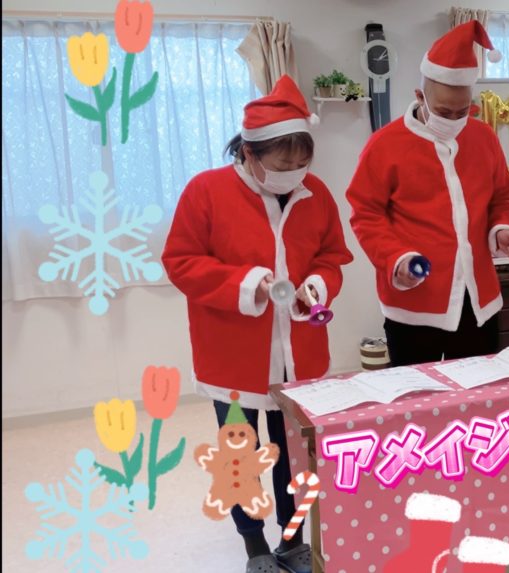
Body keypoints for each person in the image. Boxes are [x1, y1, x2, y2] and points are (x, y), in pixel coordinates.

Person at [162, 74, 352, 573]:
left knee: (294, 455)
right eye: (282, 165)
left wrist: (318, 285)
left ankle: (292, 540)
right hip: (232, 359)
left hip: (300, 354)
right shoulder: (206, 191)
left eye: (302, 164)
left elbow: (332, 256)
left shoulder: (316, 194)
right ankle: (254, 546)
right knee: (239, 456)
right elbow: (181, 262)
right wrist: (250, 284)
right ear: (249, 152)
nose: (294, 175)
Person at [347, 20, 509, 366]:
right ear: (420, 97)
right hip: (415, 301)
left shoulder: (484, 138)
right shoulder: (384, 145)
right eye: (443, 111)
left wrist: (501, 228)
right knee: (415, 395)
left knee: (478, 392)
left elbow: (501, 198)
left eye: (463, 111)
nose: (453, 119)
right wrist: (395, 258)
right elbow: (366, 214)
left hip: (479, 301)